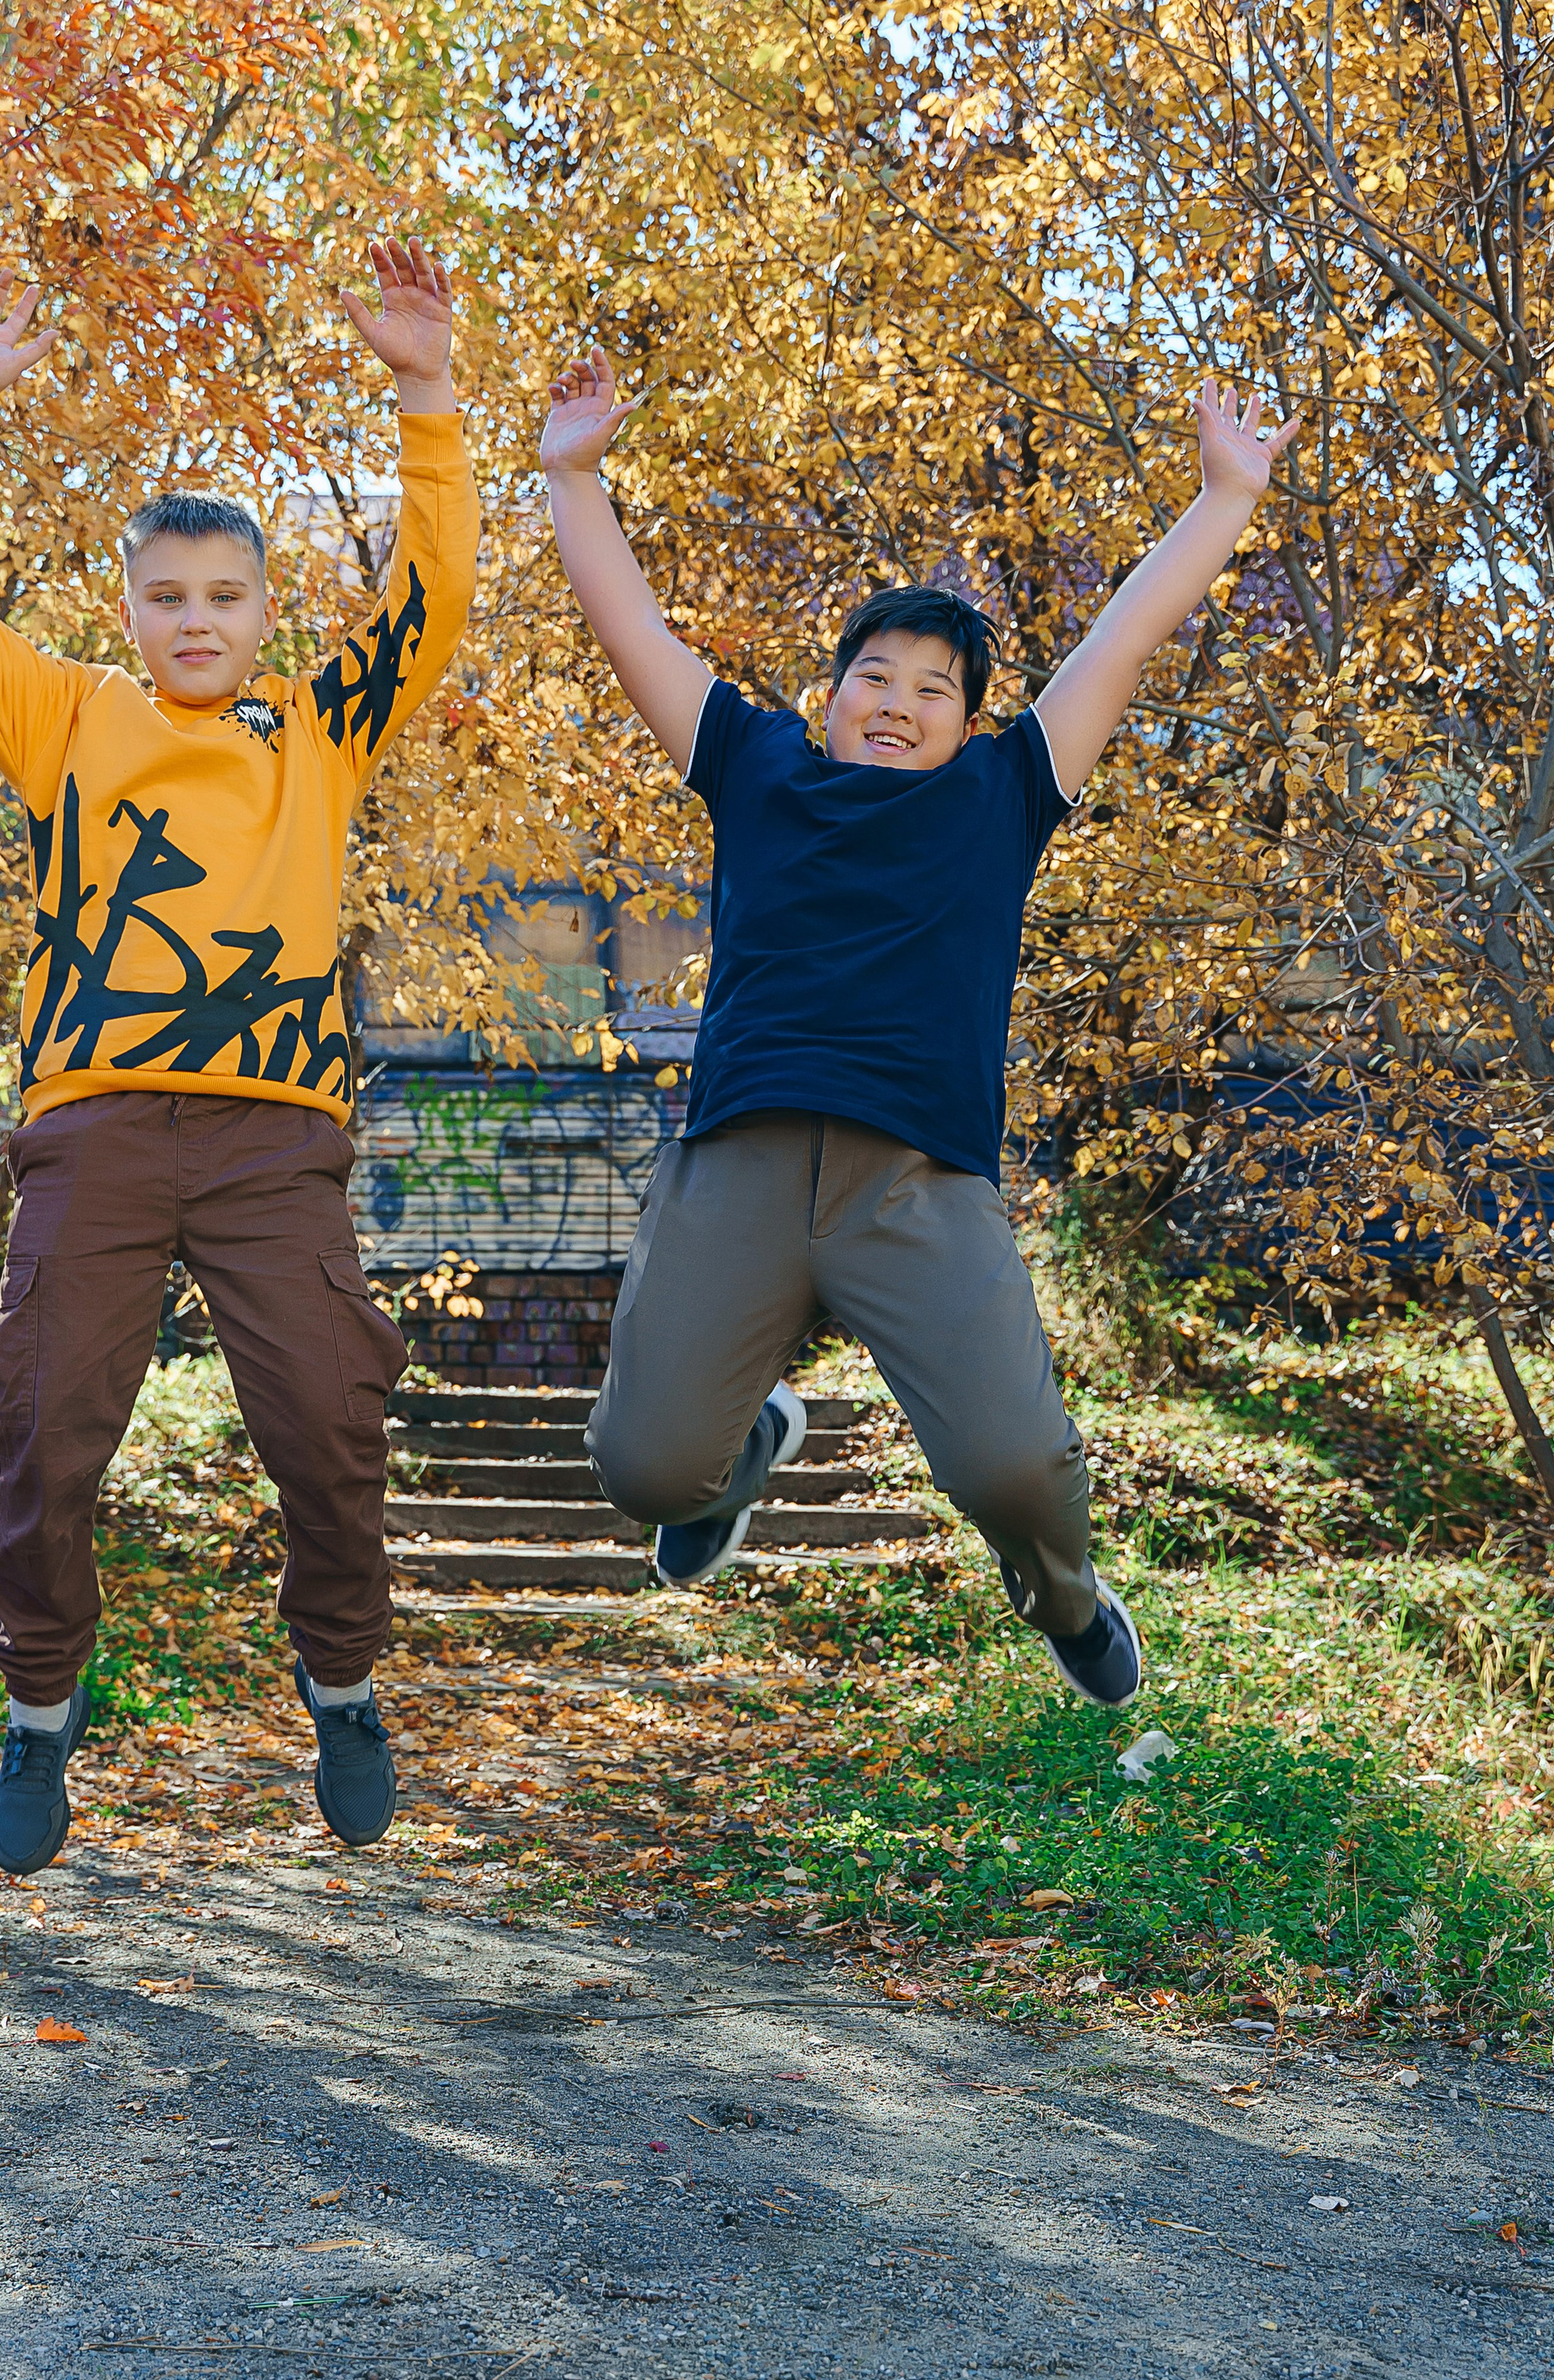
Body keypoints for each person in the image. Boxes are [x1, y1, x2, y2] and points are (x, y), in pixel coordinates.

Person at [540, 350, 1297, 1707]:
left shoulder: (1003, 796)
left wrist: (1224, 498)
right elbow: (633, 630)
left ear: (967, 724)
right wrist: (571, 472)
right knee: (645, 1468)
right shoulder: (758, 766)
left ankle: (1066, 1599)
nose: (896, 700)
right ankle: (745, 1443)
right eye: (872, 677)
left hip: (920, 1181)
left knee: (1015, 1466)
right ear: (830, 701)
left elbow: (1121, 635)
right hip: (745, 1163)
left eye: (932, 688)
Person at [0, 242, 477, 1872]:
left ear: (266, 613)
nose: (195, 621)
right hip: (99, 1127)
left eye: (224, 598)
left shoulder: (317, 729)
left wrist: (424, 393)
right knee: (46, 1410)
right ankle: (40, 1709)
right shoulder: (66, 716)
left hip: (276, 1136)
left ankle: (340, 1675)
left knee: (328, 1412)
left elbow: (431, 603)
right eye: (167, 597)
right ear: (128, 606)